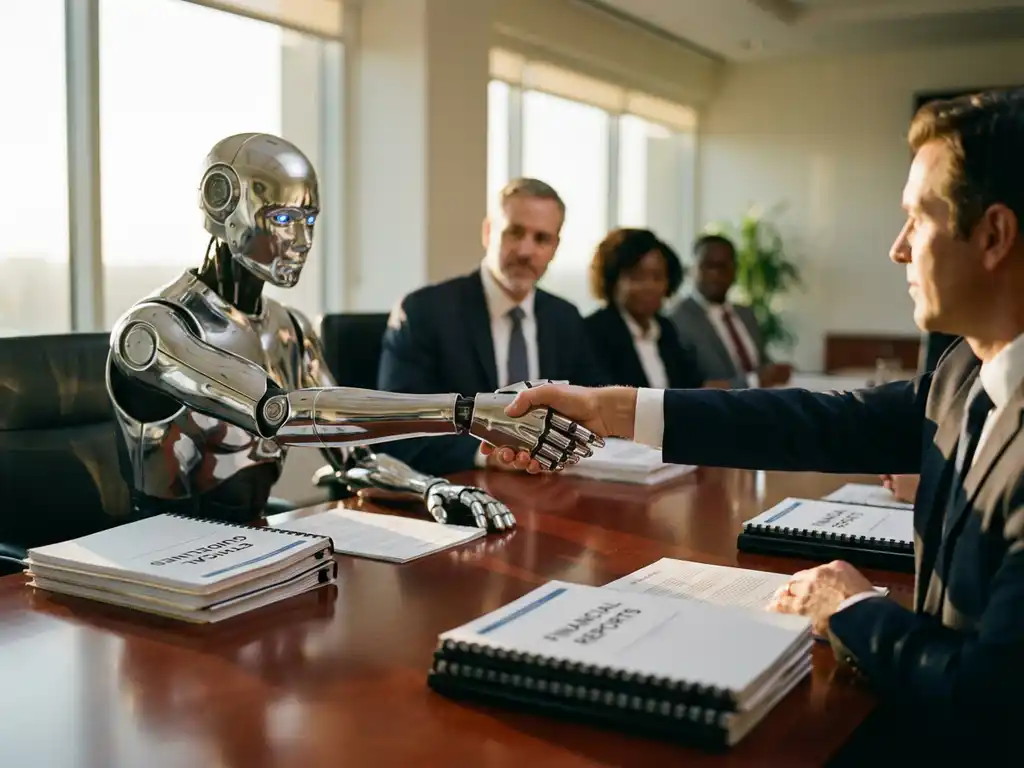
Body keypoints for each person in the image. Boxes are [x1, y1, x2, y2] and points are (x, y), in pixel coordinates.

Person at [484, 89, 1024, 752]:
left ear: (994, 235)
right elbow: (809, 421)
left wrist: (853, 609)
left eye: (917, 218)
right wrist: (604, 408)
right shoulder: (963, 372)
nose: (898, 248)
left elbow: (987, 699)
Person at [105, 134, 601, 533]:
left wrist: (430, 488)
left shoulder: (290, 329)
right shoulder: (154, 330)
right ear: (221, 206)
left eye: (309, 220)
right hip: (159, 550)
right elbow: (282, 416)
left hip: (254, 539)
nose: (300, 241)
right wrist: (468, 412)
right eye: (282, 218)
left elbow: (352, 457)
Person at [375, 177, 607, 477]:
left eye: (541, 239)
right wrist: (489, 455)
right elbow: (399, 429)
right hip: (461, 489)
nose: (526, 250)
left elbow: (592, 404)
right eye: (515, 232)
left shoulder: (564, 317)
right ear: (488, 232)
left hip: (549, 485)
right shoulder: (424, 312)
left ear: (555, 247)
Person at [584, 228, 710, 389]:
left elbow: (690, 388)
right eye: (637, 277)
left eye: (657, 277)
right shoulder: (592, 332)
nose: (649, 287)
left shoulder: (666, 329)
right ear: (613, 280)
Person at [669, 234, 792, 388]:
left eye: (723, 266)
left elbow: (761, 363)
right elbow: (692, 387)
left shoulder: (745, 313)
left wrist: (775, 372)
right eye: (708, 266)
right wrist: (754, 382)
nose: (715, 274)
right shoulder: (677, 320)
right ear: (692, 269)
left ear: (735, 270)